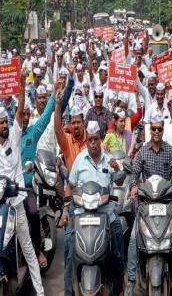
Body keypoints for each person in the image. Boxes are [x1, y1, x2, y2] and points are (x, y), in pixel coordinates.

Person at [0, 74, 45, 296]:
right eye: (1, 122)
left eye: (6, 122)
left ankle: (40, 292)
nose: (5, 125)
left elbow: (21, 108)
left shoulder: (15, 134)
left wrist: (21, 87)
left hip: (17, 203)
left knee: (28, 249)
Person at [125, 113, 172, 295]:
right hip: (146, 206)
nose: (157, 131)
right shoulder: (143, 151)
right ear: (150, 130)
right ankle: (130, 279)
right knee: (133, 237)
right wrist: (134, 187)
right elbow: (134, 175)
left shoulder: (169, 151)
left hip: (167, 204)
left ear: (163, 129)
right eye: (154, 128)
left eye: (160, 128)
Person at [62, 121, 124, 296]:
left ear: (100, 139)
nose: (93, 143)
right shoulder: (80, 160)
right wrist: (66, 210)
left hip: (106, 214)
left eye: (96, 139)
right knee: (68, 249)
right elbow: (70, 185)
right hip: (81, 215)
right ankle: (69, 292)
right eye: (90, 139)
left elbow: (119, 181)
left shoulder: (109, 159)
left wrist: (117, 168)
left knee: (116, 251)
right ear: (86, 139)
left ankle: (118, 287)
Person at [20, 85, 56, 268]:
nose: (25, 118)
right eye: (22, 114)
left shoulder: (33, 132)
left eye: (28, 114)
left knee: (33, 212)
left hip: (26, 188)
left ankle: (37, 250)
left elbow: (46, 115)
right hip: (7, 189)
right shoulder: (9, 134)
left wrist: (56, 93)